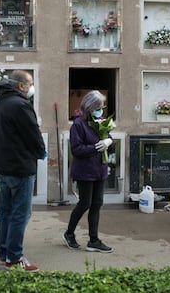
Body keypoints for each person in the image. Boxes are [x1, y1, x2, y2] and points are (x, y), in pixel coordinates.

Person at [0, 70, 46, 271]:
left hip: (3, 167)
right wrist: (41, 152)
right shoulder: (20, 105)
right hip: (19, 167)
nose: (31, 87)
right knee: (20, 214)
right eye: (30, 83)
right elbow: (33, 134)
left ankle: (4, 253)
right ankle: (14, 258)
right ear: (20, 86)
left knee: (5, 211)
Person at [63, 90, 114, 253]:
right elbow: (76, 149)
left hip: (100, 169)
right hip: (85, 171)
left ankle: (94, 240)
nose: (101, 110)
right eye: (98, 107)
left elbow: (109, 142)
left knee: (97, 204)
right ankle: (69, 233)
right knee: (85, 203)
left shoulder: (101, 122)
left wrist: (108, 141)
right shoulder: (78, 124)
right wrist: (95, 148)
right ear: (89, 107)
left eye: (102, 107)